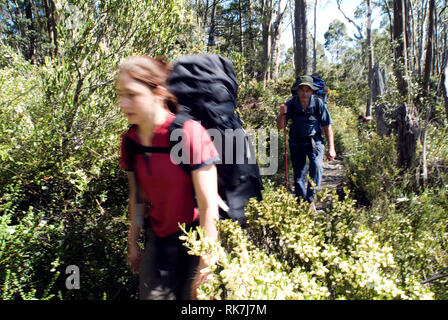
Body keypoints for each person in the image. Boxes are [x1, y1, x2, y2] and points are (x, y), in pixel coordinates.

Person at [116, 56, 220, 300]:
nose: (123, 103)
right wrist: (132, 242)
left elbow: (208, 206)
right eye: (120, 94)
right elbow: (137, 198)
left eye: (132, 94)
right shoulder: (131, 142)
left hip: (197, 239)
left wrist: (207, 262)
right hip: (159, 240)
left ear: (158, 92)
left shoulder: (188, 133)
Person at [277, 75, 336, 203]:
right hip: (296, 142)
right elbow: (280, 127)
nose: (304, 93)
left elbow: (327, 126)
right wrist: (282, 114)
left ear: (312, 91)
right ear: (297, 91)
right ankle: (301, 202)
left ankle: (310, 200)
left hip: (314, 141)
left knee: (317, 166)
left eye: (307, 90)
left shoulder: (318, 103)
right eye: (302, 90)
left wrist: (331, 148)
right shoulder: (291, 103)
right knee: (299, 174)